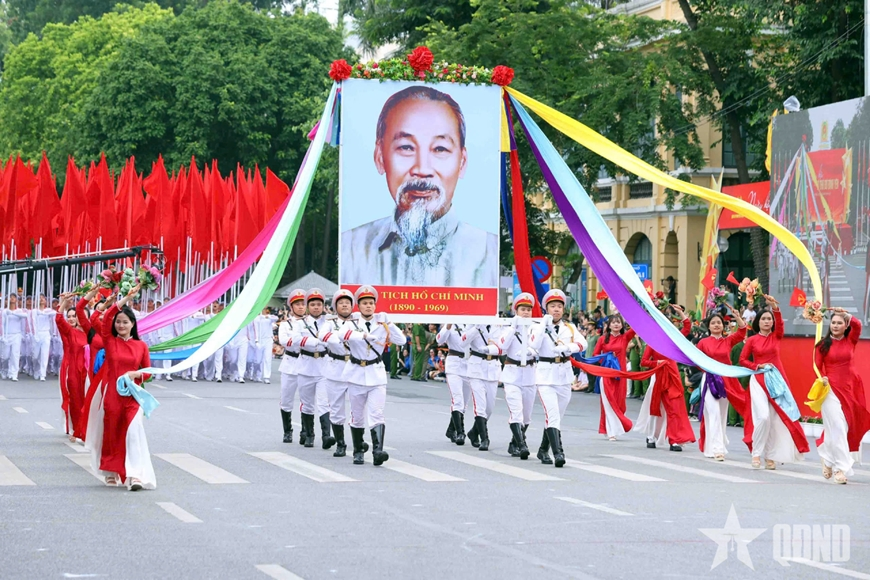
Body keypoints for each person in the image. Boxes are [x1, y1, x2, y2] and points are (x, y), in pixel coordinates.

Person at [340, 86, 498, 287]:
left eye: (440, 149)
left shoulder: (489, 252)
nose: (422, 169)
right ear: (379, 157)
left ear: (462, 162)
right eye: (406, 147)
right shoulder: (351, 249)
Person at [88, 284, 156, 491]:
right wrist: (124, 300)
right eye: (118, 322)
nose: (121, 325)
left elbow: (148, 372)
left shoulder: (141, 346)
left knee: (134, 431)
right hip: (113, 395)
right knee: (112, 432)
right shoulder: (109, 341)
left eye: (125, 322)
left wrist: (137, 374)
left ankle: (135, 475)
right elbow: (105, 317)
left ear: (133, 324)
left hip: (133, 395)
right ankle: (110, 470)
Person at [738, 295, 809, 469]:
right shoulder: (753, 340)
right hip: (759, 380)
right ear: (758, 322)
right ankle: (756, 453)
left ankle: (770, 456)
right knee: (763, 417)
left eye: (769, 319)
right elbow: (742, 360)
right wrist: (757, 366)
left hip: (777, 381)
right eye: (764, 319)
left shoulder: (777, 336)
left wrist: (775, 308)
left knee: (776, 420)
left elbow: (780, 324)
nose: (767, 321)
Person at [339, 286, 406, 465]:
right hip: (356, 374)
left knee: (376, 413)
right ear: (358, 306)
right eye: (364, 303)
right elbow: (341, 335)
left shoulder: (382, 324)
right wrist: (363, 336)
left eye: (371, 303)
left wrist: (389, 323)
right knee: (357, 416)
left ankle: (378, 451)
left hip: (376, 374)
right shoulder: (351, 322)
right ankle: (358, 451)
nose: (368, 306)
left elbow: (402, 341)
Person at [530, 290, 586, 467]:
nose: (556, 310)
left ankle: (542, 449)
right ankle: (558, 453)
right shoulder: (537, 326)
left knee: (557, 417)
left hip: (564, 375)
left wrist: (567, 347)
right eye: (553, 306)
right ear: (546, 309)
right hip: (545, 376)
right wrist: (542, 325)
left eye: (559, 306)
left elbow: (582, 343)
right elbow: (534, 345)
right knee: (552, 415)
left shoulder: (569, 327)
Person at [814, 308, 870, 484]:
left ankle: (827, 458)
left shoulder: (850, 340)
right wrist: (821, 378)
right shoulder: (822, 345)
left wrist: (847, 314)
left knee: (842, 428)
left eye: (840, 323)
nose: (836, 325)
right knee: (837, 426)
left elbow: (858, 325)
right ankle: (840, 468)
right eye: (834, 322)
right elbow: (816, 367)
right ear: (829, 325)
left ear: (845, 326)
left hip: (851, 388)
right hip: (830, 389)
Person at [634, 306, 696, 452]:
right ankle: (651, 437)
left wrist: (680, 312)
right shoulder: (653, 343)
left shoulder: (674, 340)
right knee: (656, 408)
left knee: (674, 409)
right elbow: (644, 362)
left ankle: (674, 440)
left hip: (672, 378)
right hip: (658, 378)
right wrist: (657, 363)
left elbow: (687, 327)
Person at [696, 304, 749, 461]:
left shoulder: (728, 341)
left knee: (721, 414)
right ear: (709, 326)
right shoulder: (703, 343)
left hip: (725, 380)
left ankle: (716, 445)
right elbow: (697, 362)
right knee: (713, 413)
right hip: (709, 380)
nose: (716, 325)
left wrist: (738, 317)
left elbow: (741, 332)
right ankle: (717, 448)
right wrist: (708, 370)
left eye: (719, 322)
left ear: (723, 325)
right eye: (713, 323)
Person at [496, 293, 538, 460]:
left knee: (527, 416)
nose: (526, 313)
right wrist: (513, 328)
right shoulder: (508, 328)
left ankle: (514, 442)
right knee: (516, 413)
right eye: (522, 309)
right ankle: (522, 445)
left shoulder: (536, 327)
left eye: (528, 310)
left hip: (529, 374)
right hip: (512, 374)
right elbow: (502, 347)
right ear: (516, 311)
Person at [293, 289, 335, 450]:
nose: (316, 307)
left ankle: (326, 436)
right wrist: (316, 341)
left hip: (324, 365)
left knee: (324, 402)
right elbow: (296, 340)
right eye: (313, 304)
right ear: (308, 306)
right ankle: (309, 434)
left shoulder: (330, 322)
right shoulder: (300, 323)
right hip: (306, 365)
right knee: (307, 403)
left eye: (319, 304)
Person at [319, 289, 358, 458]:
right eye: (341, 303)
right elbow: (323, 336)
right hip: (336, 367)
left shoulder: (358, 321)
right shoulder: (329, 322)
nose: (344, 305)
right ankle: (340, 443)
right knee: (336, 408)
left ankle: (359, 441)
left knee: (358, 408)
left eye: (347, 303)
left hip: (356, 368)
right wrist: (342, 337)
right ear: (335, 306)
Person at [461, 320, 502, 452]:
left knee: (489, 408)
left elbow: (503, 345)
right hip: (476, 368)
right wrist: (477, 327)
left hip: (493, 368)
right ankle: (485, 438)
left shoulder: (498, 324)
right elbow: (463, 342)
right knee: (480, 406)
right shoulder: (472, 324)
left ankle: (474, 431)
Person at [594, 313, 635, 440]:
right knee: (608, 401)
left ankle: (614, 427)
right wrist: (607, 361)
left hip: (621, 375)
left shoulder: (625, 337)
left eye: (619, 322)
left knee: (619, 402)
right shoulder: (602, 339)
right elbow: (596, 354)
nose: (616, 324)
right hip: (607, 374)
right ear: (609, 325)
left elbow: (635, 328)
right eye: (613, 322)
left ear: (622, 325)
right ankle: (611, 431)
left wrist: (641, 312)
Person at [55, 294, 89, 442]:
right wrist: (63, 303)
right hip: (72, 369)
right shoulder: (70, 331)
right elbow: (59, 319)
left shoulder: (91, 333)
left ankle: (87, 429)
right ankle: (75, 429)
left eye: (75, 316)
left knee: (88, 401)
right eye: (70, 316)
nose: (72, 318)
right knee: (74, 400)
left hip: (88, 372)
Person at [277, 289, 306, 443]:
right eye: (298, 304)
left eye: (303, 304)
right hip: (289, 363)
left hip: (306, 363)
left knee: (306, 400)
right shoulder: (285, 324)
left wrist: (296, 340)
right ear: (292, 307)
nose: (301, 307)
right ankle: (287, 430)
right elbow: (283, 341)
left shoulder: (310, 323)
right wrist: (301, 340)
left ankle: (305, 431)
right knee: (286, 399)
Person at [436, 321, 471, 445]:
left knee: (465, 403)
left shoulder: (472, 323)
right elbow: (439, 339)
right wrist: (448, 326)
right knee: (458, 400)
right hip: (454, 363)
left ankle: (451, 429)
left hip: (469, 364)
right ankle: (460, 432)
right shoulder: (451, 324)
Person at [29, 295, 56, 381]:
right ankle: (36, 369)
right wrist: (34, 334)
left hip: (45, 334)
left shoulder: (48, 310)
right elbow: (32, 323)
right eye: (39, 298)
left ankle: (42, 374)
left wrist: (43, 313)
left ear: (45, 301)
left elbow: (54, 313)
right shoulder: (34, 311)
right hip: (37, 334)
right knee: (35, 356)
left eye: (43, 298)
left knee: (44, 354)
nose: (41, 299)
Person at [2, 295, 27, 381]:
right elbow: (2, 324)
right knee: (5, 356)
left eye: (14, 297)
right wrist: (2, 336)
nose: (12, 298)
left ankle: (14, 374)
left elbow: (25, 316)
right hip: (7, 335)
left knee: (15, 355)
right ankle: (4, 370)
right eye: (10, 297)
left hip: (16, 335)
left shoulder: (20, 310)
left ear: (16, 300)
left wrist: (12, 313)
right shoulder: (4, 311)